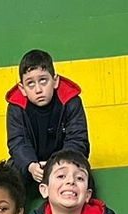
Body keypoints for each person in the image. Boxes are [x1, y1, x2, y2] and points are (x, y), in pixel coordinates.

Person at [5, 49, 90, 203]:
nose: (38, 89)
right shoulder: (16, 107)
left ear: (55, 81)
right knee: (7, 181)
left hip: (65, 161)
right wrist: (30, 165)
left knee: (82, 176)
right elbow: (18, 143)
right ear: (22, 88)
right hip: (31, 163)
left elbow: (78, 140)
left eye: (43, 80)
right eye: (30, 83)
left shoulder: (70, 100)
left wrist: (57, 167)